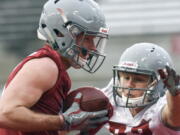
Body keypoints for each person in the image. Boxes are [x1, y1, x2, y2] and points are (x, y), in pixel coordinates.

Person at [0, 0, 109, 135]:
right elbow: (6, 114)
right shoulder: (46, 66)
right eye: (87, 39)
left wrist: (76, 126)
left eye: (94, 40)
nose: (93, 48)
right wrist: (64, 121)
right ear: (60, 33)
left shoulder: (56, 69)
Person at [101, 43, 180, 135]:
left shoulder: (159, 109)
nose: (129, 85)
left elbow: (174, 115)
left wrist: (174, 96)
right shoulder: (110, 99)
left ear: (158, 84)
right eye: (126, 78)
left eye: (139, 80)